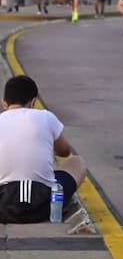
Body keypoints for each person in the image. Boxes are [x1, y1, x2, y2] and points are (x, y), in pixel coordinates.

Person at [0, 75, 88, 224]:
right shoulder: (46, 117)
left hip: (3, 208)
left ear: (4, 103)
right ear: (33, 102)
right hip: (42, 207)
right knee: (77, 162)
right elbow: (64, 151)